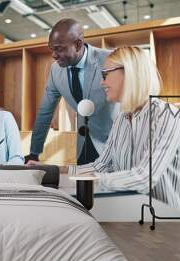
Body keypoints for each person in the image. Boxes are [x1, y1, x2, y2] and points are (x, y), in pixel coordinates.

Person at [76, 46, 180, 208]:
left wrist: (93, 180)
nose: (101, 82)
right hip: (131, 210)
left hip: (166, 221)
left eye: (105, 74)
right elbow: (101, 165)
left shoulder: (167, 115)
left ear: (130, 73)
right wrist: (53, 171)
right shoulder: (121, 119)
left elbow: (145, 178)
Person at [26, 18, 118, 165]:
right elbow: (45, 111)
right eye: (52, 49)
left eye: (59, 49)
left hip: (115, 141)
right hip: (84, 144)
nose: (54, 55)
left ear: (77, 44)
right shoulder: (56, 70)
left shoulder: (110, 59)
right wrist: (34, 152)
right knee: (83, 185)